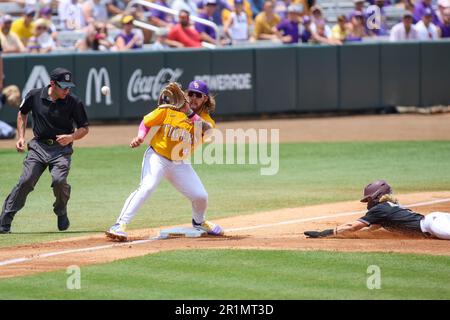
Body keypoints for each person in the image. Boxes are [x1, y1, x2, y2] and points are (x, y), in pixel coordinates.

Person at [105, 80, 223, 242]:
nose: (193, 97)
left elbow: (209, 133)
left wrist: (189, 112)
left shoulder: (206, 120)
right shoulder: (171, 109)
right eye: (191, 94)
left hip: (179, 164)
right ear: (186, 95)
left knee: (200, 196)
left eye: (198, 95)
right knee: (147, 187)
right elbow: (147, 121)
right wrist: (141, 136)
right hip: (157, 157)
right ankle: (119, 225)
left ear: (205, 99)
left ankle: (199, 222)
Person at [0, 68, 89, 234]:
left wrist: (71, 137)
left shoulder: (74, 102)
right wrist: (21, 137)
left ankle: (61, 210)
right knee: (26, 180)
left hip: (61, 149)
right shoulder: (34, 95)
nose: (67, 90)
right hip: (38, 147)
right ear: (53, 84)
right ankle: (5, 220)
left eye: (69, 87)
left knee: (59, 181)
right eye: (64, 87)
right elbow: (22, 113)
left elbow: (84, 128)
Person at [304, 180, 450, 240]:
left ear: (376, 196)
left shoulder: (380, 209)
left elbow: (353, 226)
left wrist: (325, 233)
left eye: (368, 199)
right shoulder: (386, 208)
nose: (367, 202)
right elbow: (373, 228)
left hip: (433, 224)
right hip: (436, 220)